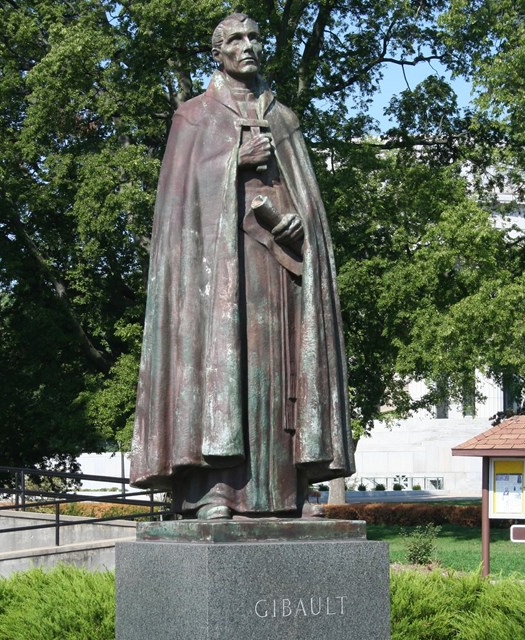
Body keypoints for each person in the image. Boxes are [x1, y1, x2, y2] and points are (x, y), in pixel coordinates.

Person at [130, 13, 354, 519]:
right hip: (219, 277)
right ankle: (214, 492)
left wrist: (300, 223)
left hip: (277, 268)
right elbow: (180, 208)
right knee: (224, 370)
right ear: (218, 53)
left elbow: (309, 201)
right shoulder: (193, 116)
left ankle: (288, 492)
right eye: (236, 39)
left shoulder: (284, 118)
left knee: (280, 370)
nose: (248, 46)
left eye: (254, 37)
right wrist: (235, 158)